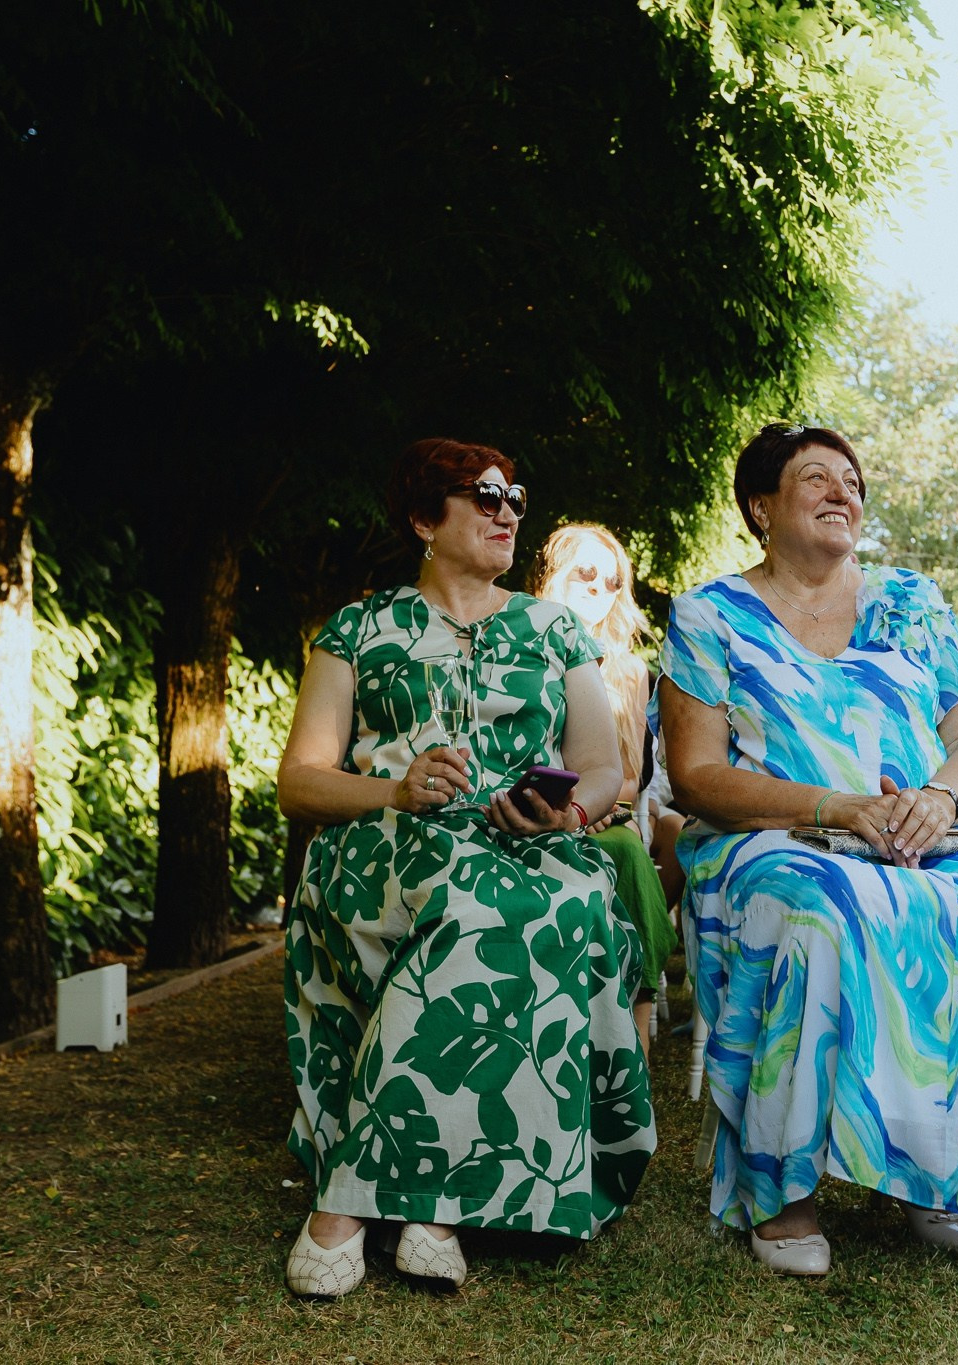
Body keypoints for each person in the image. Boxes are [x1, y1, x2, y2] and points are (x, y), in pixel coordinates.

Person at [658, 423, 958, 1277]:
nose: (844, 492)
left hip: (912, 840)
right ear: (760, 507)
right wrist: (837, 807)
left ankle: (934, 1170)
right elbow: (694, 775)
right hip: (772, 841)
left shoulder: (912, 602)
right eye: (816, 478)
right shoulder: (710, 615)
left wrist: (939, 799)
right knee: (831, 910)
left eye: (854, 481)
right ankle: (782, 1186)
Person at [275, 439, 654, 1298]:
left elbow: (601, 768)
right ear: (422, 518)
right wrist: (396, 789)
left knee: (561, 898)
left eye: (515, 496)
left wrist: (567, 812)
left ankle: (389, 1198)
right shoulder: (358, 627)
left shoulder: (554, 630)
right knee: (468, 898)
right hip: (388, 837)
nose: (506, 510)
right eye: (482, 495)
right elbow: (299, 779)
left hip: (526, 839)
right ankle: (420, 1207)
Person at [535, 524, 680, 1050]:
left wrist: (590, 805)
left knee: (624, 848)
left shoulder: (629, 672)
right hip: (528, 816)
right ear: (554, 578)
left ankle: (633, 1050)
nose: (600, 588)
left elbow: (630, 778)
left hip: (602, 818)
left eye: (614, 580)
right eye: (586, 574)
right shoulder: (522, 649)